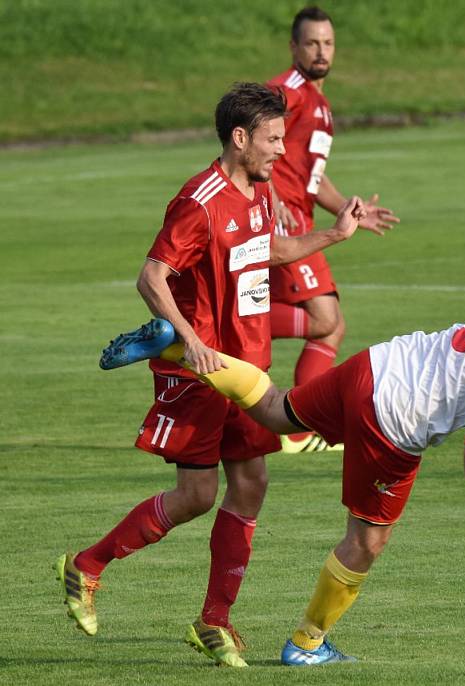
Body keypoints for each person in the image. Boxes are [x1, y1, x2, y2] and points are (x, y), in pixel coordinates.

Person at [100, 271, 465, 666]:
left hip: (377, 365)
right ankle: (306, 644)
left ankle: (177, 349)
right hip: (396, 421)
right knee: (367, 540)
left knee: (275, 410)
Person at [55, 81, 369, 669]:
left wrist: (333, 234)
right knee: (197, 495)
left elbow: (262, 251)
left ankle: (214, 622)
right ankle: (85, 566)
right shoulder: (198, 202)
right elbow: (151, 276)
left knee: (250, 487)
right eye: (274, 139)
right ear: (240, 137)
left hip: (246, 367)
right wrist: (192, 339)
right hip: (202, 370)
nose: (282, 150)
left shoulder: (256, 188)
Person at [266, 6, 400, 453]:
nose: (321, 51)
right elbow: (248, 125)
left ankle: (306, 429)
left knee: (331, 326)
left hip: (300, 221)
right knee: (326, 320)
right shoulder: (290, 91)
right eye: (311, 43)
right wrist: (272, 197)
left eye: (327, 43)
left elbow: (311, 176)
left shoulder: (319, 103)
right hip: (283, 225)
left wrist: (347, 207)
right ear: (294, 47)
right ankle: (229, 325)